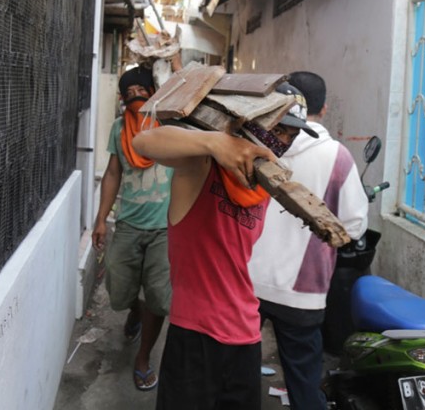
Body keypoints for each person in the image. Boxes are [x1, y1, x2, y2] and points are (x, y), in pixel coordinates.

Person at [132, 82, 318, 410]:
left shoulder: (262, 187)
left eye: (292, 135)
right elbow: (144, 141)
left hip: (246, 334)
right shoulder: (202, 167)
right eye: (279, 130)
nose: (284, 141)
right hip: (195, 334)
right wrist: (215, 141)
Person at [248, 71, 368, 410]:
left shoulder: (255, 145)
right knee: (303, 383)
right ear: (324, 108)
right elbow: (354, 226)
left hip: (248, 279)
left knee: (238, 374)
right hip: (303, 291)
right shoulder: (337, 156)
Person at [91, 65, 173, 392]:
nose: (136, 97)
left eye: (141, 91)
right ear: (122, 99)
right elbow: (113, 174)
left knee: (159, 298)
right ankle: (135, 312)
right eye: (129, 93)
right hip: (127, 224)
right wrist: (101, 218)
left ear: (154, 92)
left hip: (165, 229)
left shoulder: (171, 126)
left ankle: (143, 358)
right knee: (119, 291)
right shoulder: (119, 128)